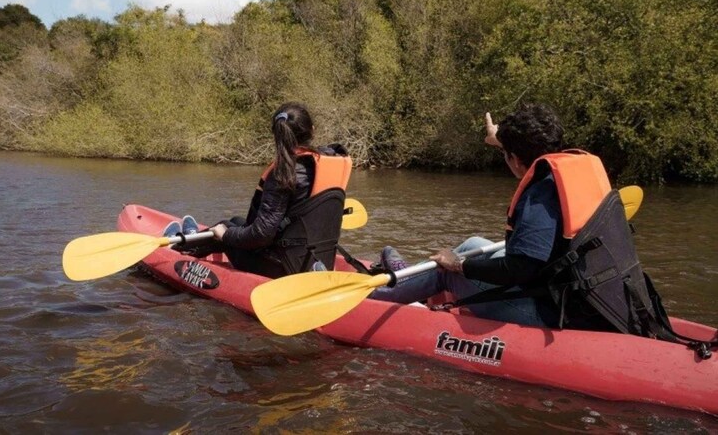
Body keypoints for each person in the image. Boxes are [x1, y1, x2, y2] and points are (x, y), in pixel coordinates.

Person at [370, 103, 614, 329]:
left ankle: (370, 300)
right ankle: (405, 280)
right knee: (474, 244)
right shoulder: (568, 175)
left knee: (445, 270)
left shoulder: (539, 197)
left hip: (548, 312)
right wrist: (499, 139)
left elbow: (518, 270)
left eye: (505, 153)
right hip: (573, 292)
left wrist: (459, 265)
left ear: (515, 159)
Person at [173, 102, 353, 279]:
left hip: (285, 268)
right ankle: (190, 242)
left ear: (277, 135)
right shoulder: (329, 163)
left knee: (225, 228)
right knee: (236, 221)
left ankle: (177, 251)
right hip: (315, 258)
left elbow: (261, 235)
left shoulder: (284, 174)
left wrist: (225, 235)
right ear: (312, 130)